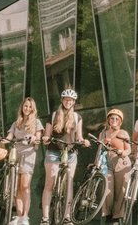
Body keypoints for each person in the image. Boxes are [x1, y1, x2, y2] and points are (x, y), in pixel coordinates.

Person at [41, 88, 88, 225]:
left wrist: (83, 141)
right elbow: (47, 134)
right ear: (62, 100)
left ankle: (67, 216)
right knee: (50, 183)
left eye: (71, 100)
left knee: (69, 184)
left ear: (74, 102)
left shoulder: (77, 117)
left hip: (71, 153)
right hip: (54, 151)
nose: (68, 102)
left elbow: (79, 136)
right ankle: (45, 218)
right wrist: (45, 138)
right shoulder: (53, 115)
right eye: (66, 100)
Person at [4, 97, 44, 225]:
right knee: (16, 187)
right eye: (25, 106)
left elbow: (38, 139)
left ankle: (25, 216)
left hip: (28, 154)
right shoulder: (16, 123)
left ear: (33, 109)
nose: (27, 108)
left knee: (25, 186)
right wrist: (4, 140)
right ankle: (19, 216)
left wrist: (34, 138)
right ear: (22, 107)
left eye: (30, 107)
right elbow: (10, 136)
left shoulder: (36, 122)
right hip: (15, 154)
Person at [99, 109, 132, 222]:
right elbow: (99, 150)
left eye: (117, 119)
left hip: (121, 162)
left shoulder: (123, 133)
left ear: (120, 121)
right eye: (112, 118)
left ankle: (116, 218)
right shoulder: (103, 134)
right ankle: (108, 215)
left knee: (120, 191)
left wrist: (123, 152)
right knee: (107, 190)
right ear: (108, 120)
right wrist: (95, 163)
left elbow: (129, 150)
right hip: (106, 163)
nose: (114, 120)